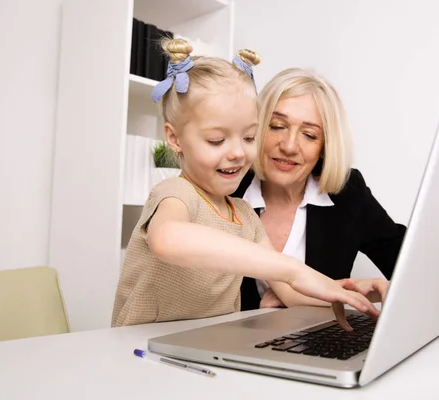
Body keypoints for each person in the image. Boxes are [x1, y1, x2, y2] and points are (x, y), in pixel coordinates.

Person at [111, 39, 382, 329]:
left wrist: (352, 291)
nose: (238, 153)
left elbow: (291, 292)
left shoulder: (245, 216)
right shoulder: (175, 194)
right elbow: (168, 238)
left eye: (250, 138)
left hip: (198, 351)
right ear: (175, 139)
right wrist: (291, 269)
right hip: (140, 352)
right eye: (217, 140)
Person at [232, 68, 439, 319]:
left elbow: (401, 256)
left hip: (319, 347)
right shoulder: (228, 190)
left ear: (325, 146)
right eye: (277, 126)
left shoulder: (346, 193)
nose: (290, 146)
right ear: (255, 127)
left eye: (310, 135)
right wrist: (257, 311)